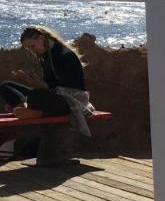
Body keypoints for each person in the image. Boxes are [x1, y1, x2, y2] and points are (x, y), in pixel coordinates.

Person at [0, 26, 95, 161]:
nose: (32, 51)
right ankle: (24, 109)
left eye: (32, 46)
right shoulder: (46, 54)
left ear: (40, 37)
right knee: (5, 86)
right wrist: (32, 79)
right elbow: (50, 85)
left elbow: (52, 87)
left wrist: (28, 80)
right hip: (54, 96)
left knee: (35, 95)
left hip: (69, 100)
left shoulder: (62, 54)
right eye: (29, 48)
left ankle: (36, 112)